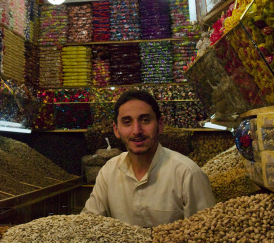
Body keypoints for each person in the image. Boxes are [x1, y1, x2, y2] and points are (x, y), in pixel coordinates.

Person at [83, 89, 215, 227]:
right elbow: (88, 222)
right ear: (116, 130)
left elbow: (206, 233)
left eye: (145, 120)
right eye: (127, 122)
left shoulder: (188, 174)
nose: (136, 130)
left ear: (160, 125)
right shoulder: (109, 171)